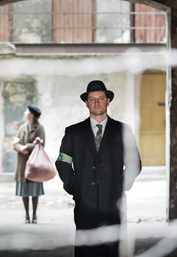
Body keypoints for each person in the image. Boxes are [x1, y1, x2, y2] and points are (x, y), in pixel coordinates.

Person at [56, 80, 142, 257]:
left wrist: (121, 187)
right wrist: (74, 187)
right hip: (84, 204)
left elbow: (134, 163)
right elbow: (63, 161)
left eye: (101, 98)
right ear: (86, 103)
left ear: (108, 101)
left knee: (113, 250)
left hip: (114, 204)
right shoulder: (73, 132)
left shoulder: (123, 130)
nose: (97, 103)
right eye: (92, 99)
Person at [13, 104, 45, 224]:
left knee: (34, 190)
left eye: (27, 111)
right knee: (24, 191)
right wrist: (20, 148)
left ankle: (34, 214)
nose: (25, 113)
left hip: (35, 164)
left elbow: (42, 144)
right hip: (22, 163)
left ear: (31, 114)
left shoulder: (40, 128)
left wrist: (27, 147)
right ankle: (27, 215)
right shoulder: (22, 128)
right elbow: (15, 142)